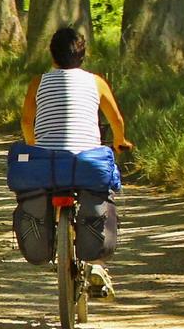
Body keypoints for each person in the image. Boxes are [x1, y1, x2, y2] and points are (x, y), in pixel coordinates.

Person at [19, 26, 133, 298]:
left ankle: (50, 239)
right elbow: (116, 120)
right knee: (95, 191)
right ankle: (93, 262)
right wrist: (120, 140)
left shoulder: (39, 82)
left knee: (44, 191)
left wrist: (34, 147)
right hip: (86, 162)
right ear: (83, 54)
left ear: (52, 54)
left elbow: (26, 120)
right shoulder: (96, 82)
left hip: (48, 163)